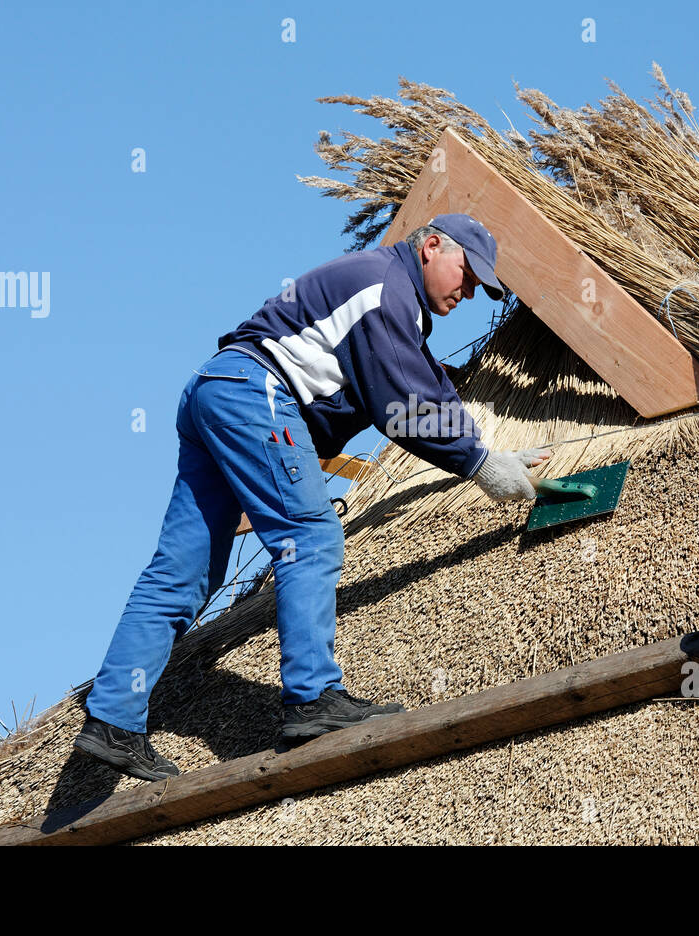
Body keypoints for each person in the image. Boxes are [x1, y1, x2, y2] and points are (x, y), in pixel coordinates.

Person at [73, 213, 552, 781]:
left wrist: (491, 450)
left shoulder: (385, 294)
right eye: (468, 274)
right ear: (430, 247)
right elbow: (404, 401)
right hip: (255, 392)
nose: (471, 291)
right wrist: (479, 463)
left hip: (214, 391)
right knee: (309, 534)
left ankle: (113, 720)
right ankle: (313, 698)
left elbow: (417, 378)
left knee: (184, 571)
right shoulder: (384, 286)